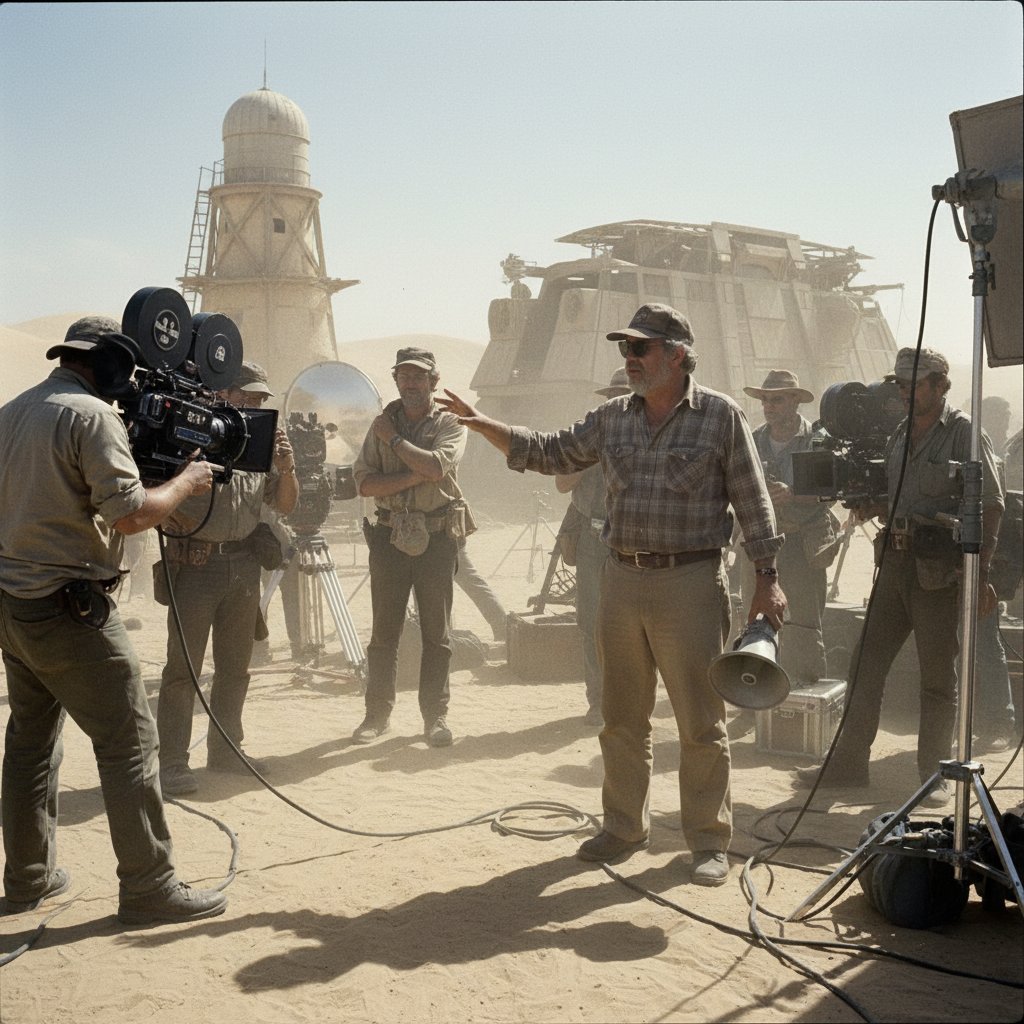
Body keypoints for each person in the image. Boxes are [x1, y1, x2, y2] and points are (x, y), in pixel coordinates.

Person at [438, 303, 785, 886]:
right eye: (625, 348)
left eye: (640, 349)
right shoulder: (611, 419)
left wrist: (768, 579)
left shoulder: (720, 417)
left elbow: (753, 500)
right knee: (621, 718)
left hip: (690, 583)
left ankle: (706, 840)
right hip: (620, 579)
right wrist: (482, 422)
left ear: (676, 353)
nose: (629, 359)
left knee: (701, 722)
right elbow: (546, 452)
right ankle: (623, 827)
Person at [0, 316, 227, 924]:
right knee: (130, 741)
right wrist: (188, 479)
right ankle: (150, 886)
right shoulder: (92, 417)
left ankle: (28, 877)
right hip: (69, 606)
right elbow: (130, 516)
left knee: (29, 740)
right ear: (105, 363)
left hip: (15, 605)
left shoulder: (13, 411)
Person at [795, 348, 1003, 806]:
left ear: (940, 386)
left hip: (938, 574)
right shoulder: (898, 436)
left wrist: (980, 571)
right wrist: (875, 507)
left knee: (937, 680)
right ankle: (849, 764)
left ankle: (934, 775)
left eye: (916, 383)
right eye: (902, 385)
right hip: (894, 565)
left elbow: (991, 504)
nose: (906, 392)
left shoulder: (965, 435)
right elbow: (899, 497)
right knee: (865, 667)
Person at [156, 361, 298, 796]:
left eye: (259, 399)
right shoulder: (189, 436)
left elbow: (287, 506)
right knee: (184, 672)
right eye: (247, 396)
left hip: (243, 567)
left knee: (236, 668)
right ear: (222, 394)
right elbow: (155, 493)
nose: (254, 405)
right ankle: (173, 763)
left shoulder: (259, 444)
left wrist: (287, 468)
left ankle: (226, 751)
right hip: (196, 565)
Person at [351, 347, 475, 748]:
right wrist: (411, 476)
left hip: (438, 538)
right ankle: (376, 716)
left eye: (419, 376)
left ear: (433, 381)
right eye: (404, 376)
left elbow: (438, 467)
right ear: (396, 381)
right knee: (383, 634)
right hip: (389, 537)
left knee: (437, 635)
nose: (411, 383)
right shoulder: (381, 425)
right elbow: (365, 484)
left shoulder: (450, 423)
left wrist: (397, 443)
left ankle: (435, 718)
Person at [740, 370, 836, 685]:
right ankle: (757, 698)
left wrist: (792, 494)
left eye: (777, 399)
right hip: (761, 546)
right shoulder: (752, 440)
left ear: (795, 401)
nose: (769, 406)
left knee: (804, 626)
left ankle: (804, 698)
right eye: (765, 400)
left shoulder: (817, 440)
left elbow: (829, 494)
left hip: (802, 545)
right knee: (756, 622)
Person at [555, 367, 632, 727]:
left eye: (625, 394)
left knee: (636, 623)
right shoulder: (587, 433)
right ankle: (598, 701)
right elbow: (561, 483)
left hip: (636, 540)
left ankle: (629, 700)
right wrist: (592, 454)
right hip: (593, 538)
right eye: (612, 395)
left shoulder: (655, 432)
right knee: (590, 621)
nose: (617, 401)